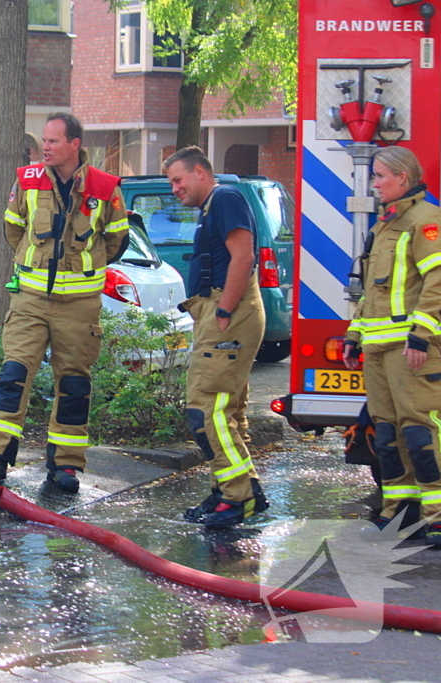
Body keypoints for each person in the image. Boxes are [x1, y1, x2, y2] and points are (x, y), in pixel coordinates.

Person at [0, 112, 129, 493]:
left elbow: (117, 240)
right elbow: (13, 229)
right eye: (44, 140)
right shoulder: (26, 180)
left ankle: (65, 465)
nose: (46, 146)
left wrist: (83, 269)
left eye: (54, 140)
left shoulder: (106, 186)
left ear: (75, 144)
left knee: (74, 383)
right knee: (13, 374)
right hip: (30, 300)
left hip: (80, 305)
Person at [344, 146, 441, 549]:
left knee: (420, 433)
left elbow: (439, 281)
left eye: (380, 176)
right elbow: (372, 293)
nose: (374, 183)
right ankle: (400, 510)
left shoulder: (427, 220)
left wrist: (421, 335)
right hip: (380, 351)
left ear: (402, 177)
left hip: (410, 349)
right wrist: (354, 335)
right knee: (387, 435)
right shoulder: (385, 224)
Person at [164, 146, 269, 529]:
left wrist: (224, 310)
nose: (175, 188)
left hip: (228, 315)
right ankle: (234, 490)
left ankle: (236, 496)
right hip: (217, 314)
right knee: (227, 412)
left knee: (206, 410)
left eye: (178, 179)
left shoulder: (224, 197)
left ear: (200, 172)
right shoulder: (213, 206)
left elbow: (243, 257)